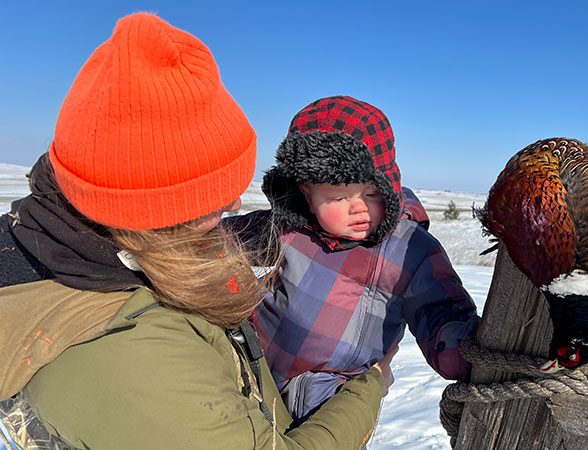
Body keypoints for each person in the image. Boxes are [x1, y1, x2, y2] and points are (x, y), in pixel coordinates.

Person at [0, 14, 394, 450]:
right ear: (156, 208)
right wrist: (370, 386)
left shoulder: (85, 243)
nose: (234, 206)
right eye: (215, 197)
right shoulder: (133, 352)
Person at [225, 96, 480, 422]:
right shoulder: (287, 227)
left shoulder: (410, 250)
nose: (359, 207)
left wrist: (477, 355)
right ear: (307, 193)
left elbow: (444, 316)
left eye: (372, 193)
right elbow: (220, 237)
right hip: (246, 382)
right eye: (338, 196)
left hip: (325, 412)